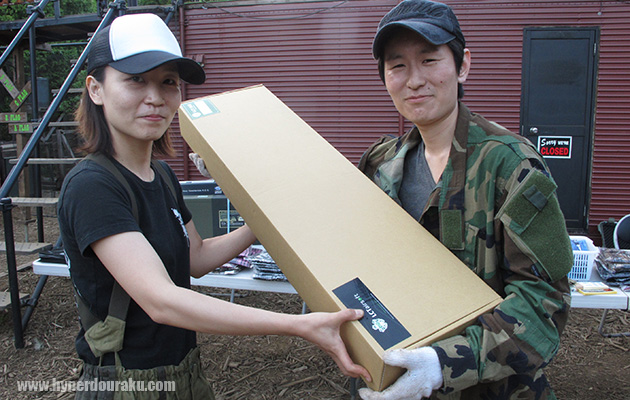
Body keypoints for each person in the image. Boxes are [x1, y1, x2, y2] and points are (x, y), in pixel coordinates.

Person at [57, 13, 370, 399]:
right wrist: (298, 325)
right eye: (136, 80)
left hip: (185, 373)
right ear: (96, 89)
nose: (155, 97)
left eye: (168, 82)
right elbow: (162, 301)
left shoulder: (161, 176)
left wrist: (264, 220)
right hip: (127, 383)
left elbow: (197, 258)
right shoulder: (93, 186)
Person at [357, 1, 573, 399]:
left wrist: (441, 364)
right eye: (397, 65)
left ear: (463, 65)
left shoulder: (512, 165)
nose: (414, 80)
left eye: (429, 60)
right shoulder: (381, 164)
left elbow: (543, 304)